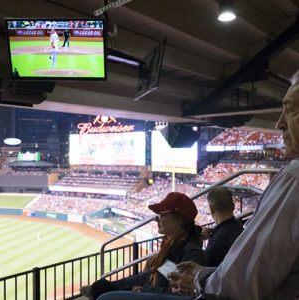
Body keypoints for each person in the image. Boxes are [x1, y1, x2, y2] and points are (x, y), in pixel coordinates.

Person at [96, 70, 299, 300]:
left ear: (179, 219)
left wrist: (197, 279)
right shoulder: (177, 245)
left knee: (107, 299)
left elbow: (240, 286)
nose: (279, 122)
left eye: (290, 110)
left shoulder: (294, 177)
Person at [80, 192, 207, 299]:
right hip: (148, 292)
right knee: (102, 287)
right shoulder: (174, 246)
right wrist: (112, 286)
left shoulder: (192, 254)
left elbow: (177, 296)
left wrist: (141, 292)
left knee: (105, 296)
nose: (156, 219)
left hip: (149, 294)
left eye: (161, 215)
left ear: (178, 220)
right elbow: (151, 276)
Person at [202, 186, 243, 267]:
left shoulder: (217, 243)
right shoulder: (240, 228)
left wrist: (198, 240)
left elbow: (202, 269)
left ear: (211, 209)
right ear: (233, 206)